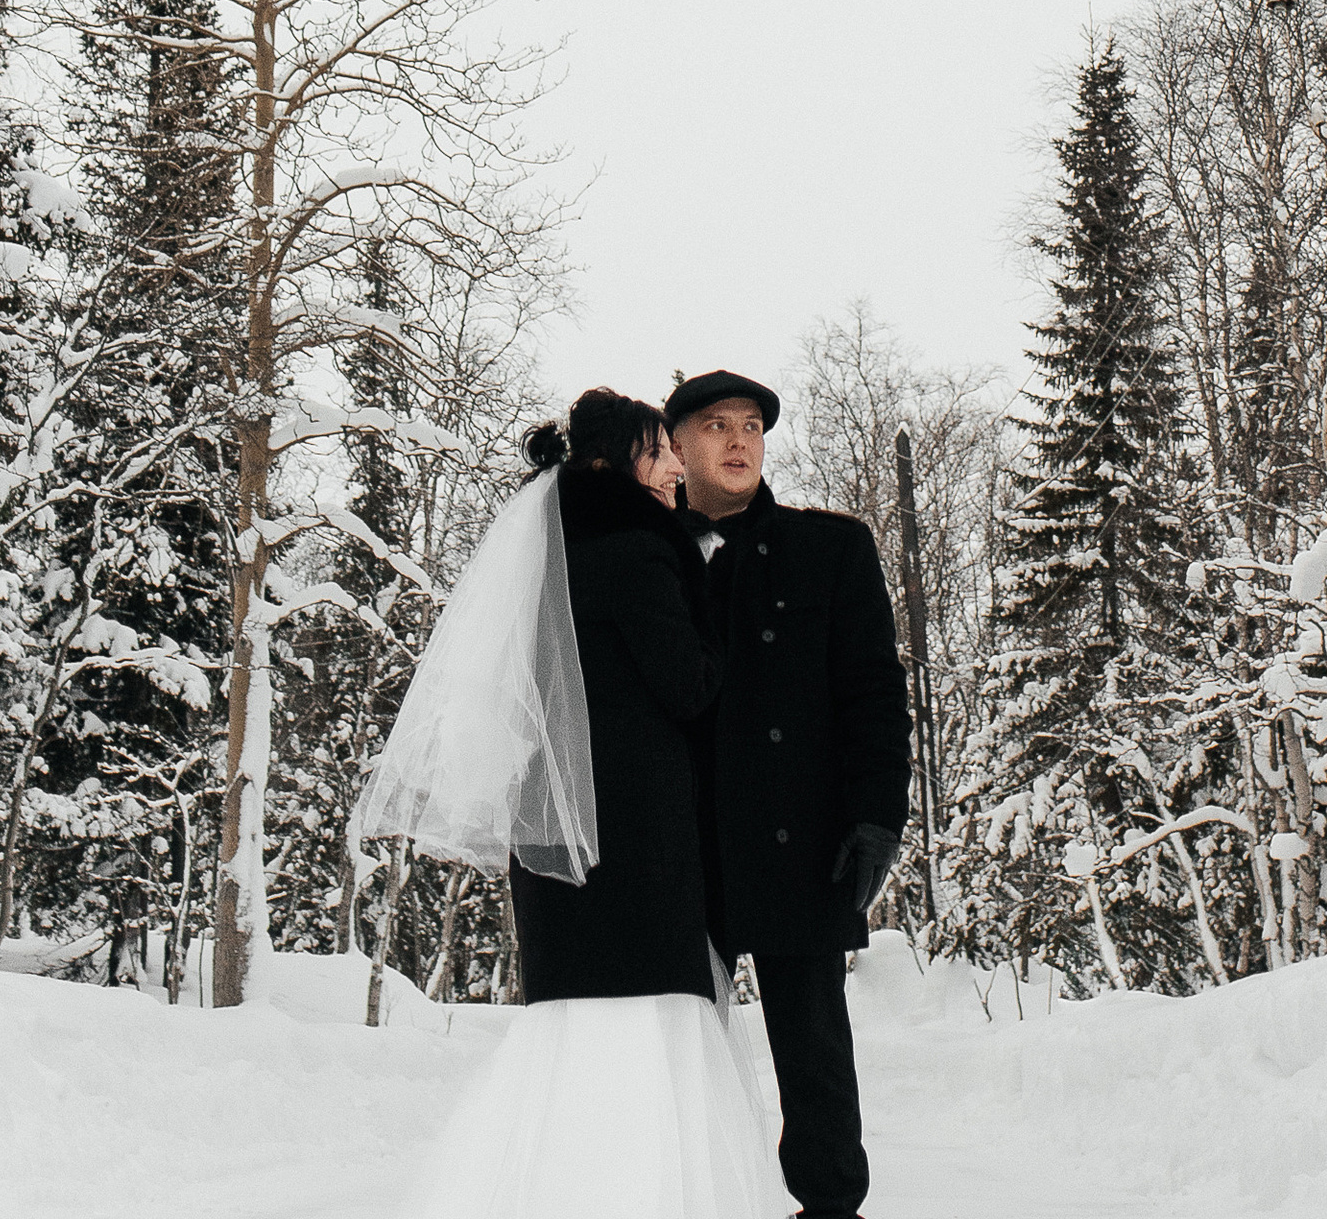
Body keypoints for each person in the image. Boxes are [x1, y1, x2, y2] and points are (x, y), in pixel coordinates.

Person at [361, 386, 787, 1219]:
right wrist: (724, 625)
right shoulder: (639, 550)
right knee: (652, 1034)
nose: (673, 467)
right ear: (624, 459)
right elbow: (690, 684)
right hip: (640, 848)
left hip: (556, 842)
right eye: (661, 450)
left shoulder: (550, 555)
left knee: (571, 1042)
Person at [665, 370, 913, 1219]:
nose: (738, 441)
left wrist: (879, 814)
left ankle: (832, 1207)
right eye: (714, 425)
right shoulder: (644, 553)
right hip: (680, 847)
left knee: (813, 1052)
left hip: (798, 841)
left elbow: (874, 691)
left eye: (750, 426)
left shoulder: (831, 547)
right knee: (677, 1048)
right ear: (678, 446)